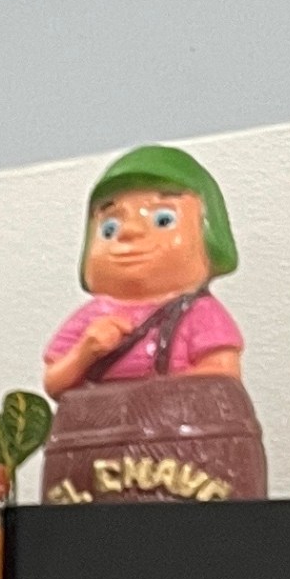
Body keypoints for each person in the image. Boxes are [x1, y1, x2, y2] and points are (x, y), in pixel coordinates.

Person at [42, 142, 246, 393]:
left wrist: (153, 395)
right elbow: (53, 383)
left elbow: (224, 373)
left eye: (163, 219)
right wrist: (85, 351)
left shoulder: (199, 312)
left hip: (177, 427)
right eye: (110, 228)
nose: (130, 231)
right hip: (104, 429)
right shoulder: (94, 316)